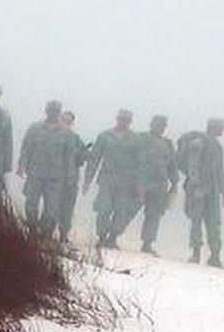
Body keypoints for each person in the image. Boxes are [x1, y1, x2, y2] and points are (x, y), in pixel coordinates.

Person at [83, 109, 142, 249]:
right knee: (103, 209)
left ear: (130, 122)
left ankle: (113, 237)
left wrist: (139, 184)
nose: (123, 122)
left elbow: (140, 163)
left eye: (126, 120)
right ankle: (102, 237)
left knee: (121, 212)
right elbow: (95, 159)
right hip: (107, 180)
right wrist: (87, 181)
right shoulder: (104, 136)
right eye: (121, 119)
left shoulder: (136, 139)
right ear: (117, 119)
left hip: (126, 183)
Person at [17, 100, 77, 238]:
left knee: (51, 208)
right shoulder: (35, 128)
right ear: (46, 111)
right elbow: (26, 148)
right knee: (31, 205)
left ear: (59, 113)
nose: (53, 113)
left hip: (55, 178)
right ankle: (32, 230)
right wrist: (21, 165)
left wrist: (70, 177)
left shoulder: (67, 134)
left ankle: (46, 234)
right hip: (35, 174)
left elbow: (69, 157)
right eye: (51, 110)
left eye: (56, 111)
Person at [182, 118, 224, 267]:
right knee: (196, 221)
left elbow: (220, 170)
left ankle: (215, 256)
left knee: (214, 223)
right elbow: (193, 166)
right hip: (199, 190)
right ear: (214, 128)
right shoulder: (198, 143)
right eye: (221, 128)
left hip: (213, 192)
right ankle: (196, 253)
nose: (223, 131)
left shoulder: (218, 146)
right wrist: (196, 186)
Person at [137, 115, 179, 256]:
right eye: (157, 125)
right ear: (151, 124)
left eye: (162, 126)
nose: (160, 128)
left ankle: (147, 243)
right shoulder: (140, 138)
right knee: (127, 209)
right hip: (140, 181)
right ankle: (111, 236)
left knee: (154, 215)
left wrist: (174, 183)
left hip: (160, 183)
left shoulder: (167, 144)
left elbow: (172, 164)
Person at [58, 110, 88, 243]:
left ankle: (64, 234)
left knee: (67, 209)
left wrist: (81, 154)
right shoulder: (52, 136)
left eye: (68, 121)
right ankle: (47, 233)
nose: (65, 123)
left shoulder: (76, 139)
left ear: (72, 123)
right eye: (63, 119)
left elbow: (82, 159)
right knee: (51, 208)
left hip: (71, 179)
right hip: (53, 180)